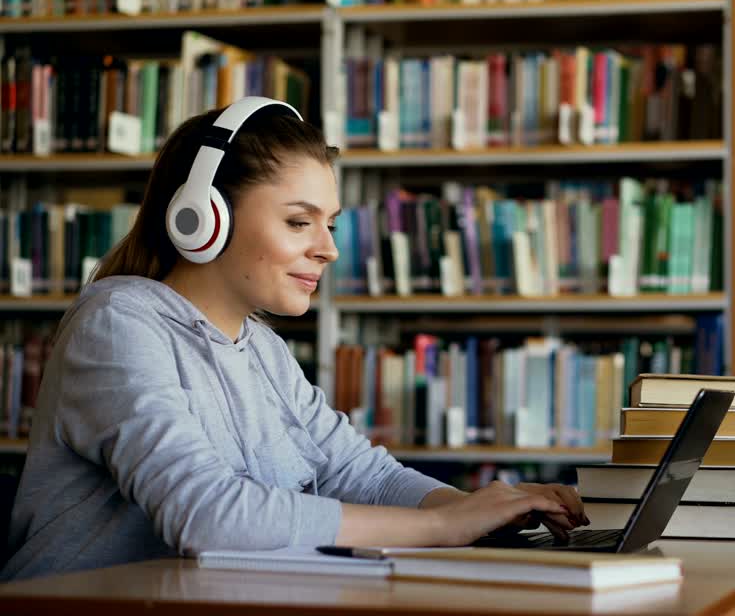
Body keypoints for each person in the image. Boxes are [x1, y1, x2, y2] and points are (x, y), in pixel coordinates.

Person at [0, 98, 586, 581]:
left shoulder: (260, 349)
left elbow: (365, 476)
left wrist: (477, 510)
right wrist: (441, 529)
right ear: (203, 217)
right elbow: (207, 516)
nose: (327, 248)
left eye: (328, 225)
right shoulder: (118, 324)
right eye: (298, 222)